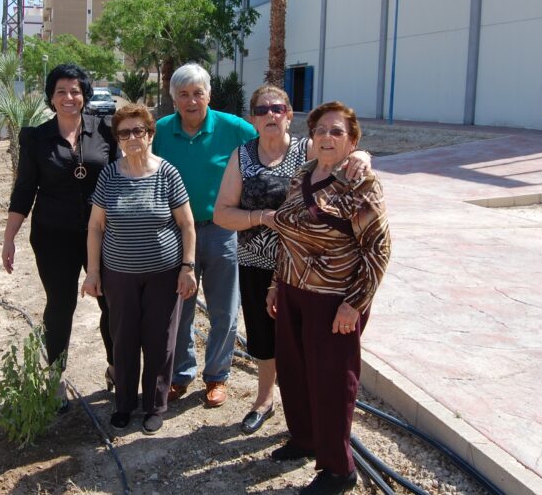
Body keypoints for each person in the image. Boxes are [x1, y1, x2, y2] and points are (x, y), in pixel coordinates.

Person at [212, 85, 370, 434]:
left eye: (278, 108)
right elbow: (222, 213)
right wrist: (262, 217)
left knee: (305, 342)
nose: (271, 115)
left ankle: (307, 410)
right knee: (263, 337)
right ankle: (264, 399)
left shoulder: (309, 149)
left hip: (307, 268)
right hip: (256, 262)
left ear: (289, 114)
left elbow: (346, 153)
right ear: (252, 118)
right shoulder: (242, 156)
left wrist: (365, 157)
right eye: (262, 109)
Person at [267, 102, 390, 495]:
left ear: (353, 141)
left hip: (334, 299)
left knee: (332, 383)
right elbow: (287, 231)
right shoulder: (303, 172)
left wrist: (354, 304)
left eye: (337, 132)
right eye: (321, 130)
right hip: (291, 289)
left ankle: (339, 469)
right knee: (294, 371)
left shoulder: (361, 182)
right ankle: (304, 439)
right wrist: (275, 283)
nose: (327, 137)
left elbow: (379, 249)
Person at [3, 64, 117, 407]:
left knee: (111, 302)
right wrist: (9, 238)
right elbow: (24, 190)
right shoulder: (36, 137)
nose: (69, 97)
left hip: (103, 233)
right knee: (61, 304)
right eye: (61, 92)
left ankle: (117, 366)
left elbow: (123, 177)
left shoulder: (106, 131)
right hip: (53, 235)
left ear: (86, 95)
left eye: (76, 91)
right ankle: (55, 377)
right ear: (51, 97)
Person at [81, 104, 197, 435]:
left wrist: (187, 266)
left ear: (150, 134)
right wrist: (93, 272)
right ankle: (124, 404)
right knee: (124, 340)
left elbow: (187, 225)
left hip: (164, 274)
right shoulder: (109, 175)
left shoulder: (168, 173)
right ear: (117, 138)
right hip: (119, 275)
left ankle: (154, 405)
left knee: (160, 341)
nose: (132, 137)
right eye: (125, 132)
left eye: (139, 131)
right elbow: (95, 227)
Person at [152, 63, 257, 408]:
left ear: (208, 95)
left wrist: (356, 153)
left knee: (224, 309)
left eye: (198, 93)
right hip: (176, 234)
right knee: (177, 308)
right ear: (174, 99)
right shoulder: (162, 131)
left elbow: (275, 146)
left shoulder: (234, 128)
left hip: (222, 232)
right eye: (183, 94)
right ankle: (181, 375)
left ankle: (217, 376)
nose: (192, 100)